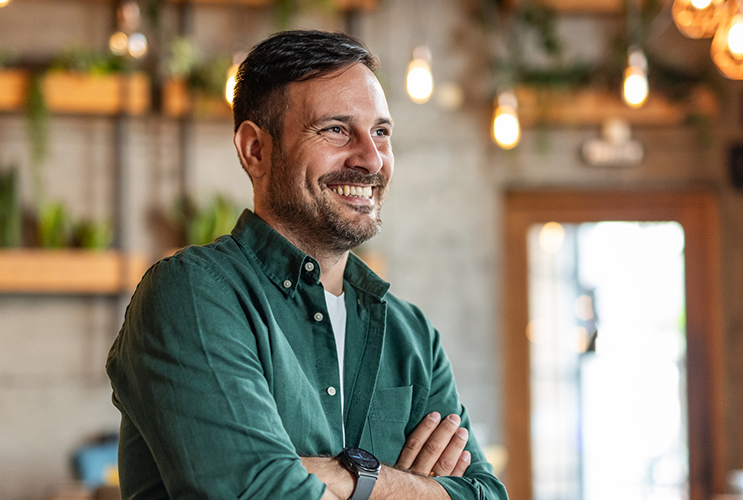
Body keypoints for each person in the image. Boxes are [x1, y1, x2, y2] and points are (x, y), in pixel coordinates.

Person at [106, 30, 508, 500]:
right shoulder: (192, 293)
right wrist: (405, 485)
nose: (372, 159)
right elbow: (257, 494)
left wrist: (347, 476)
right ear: (255, 150)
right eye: (337, 129)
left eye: (381, 132)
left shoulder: (411, 332)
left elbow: (485, 494)